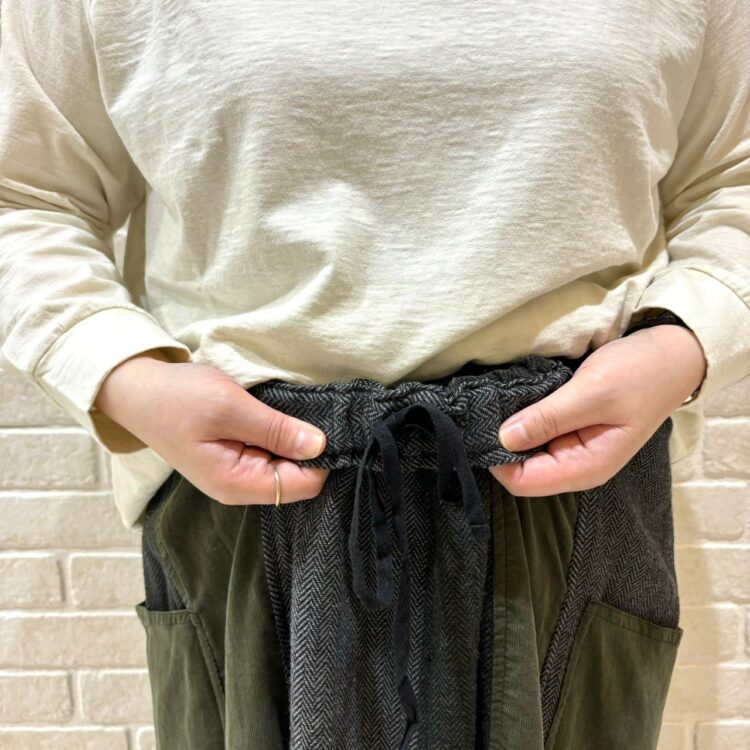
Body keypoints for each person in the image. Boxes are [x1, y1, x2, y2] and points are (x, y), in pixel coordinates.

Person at [0, 1, 748, 748]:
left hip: (570, 484)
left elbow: (732, 177)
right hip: (250, 495)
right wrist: (127, 376)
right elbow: (26, 194)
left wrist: (679, 346)